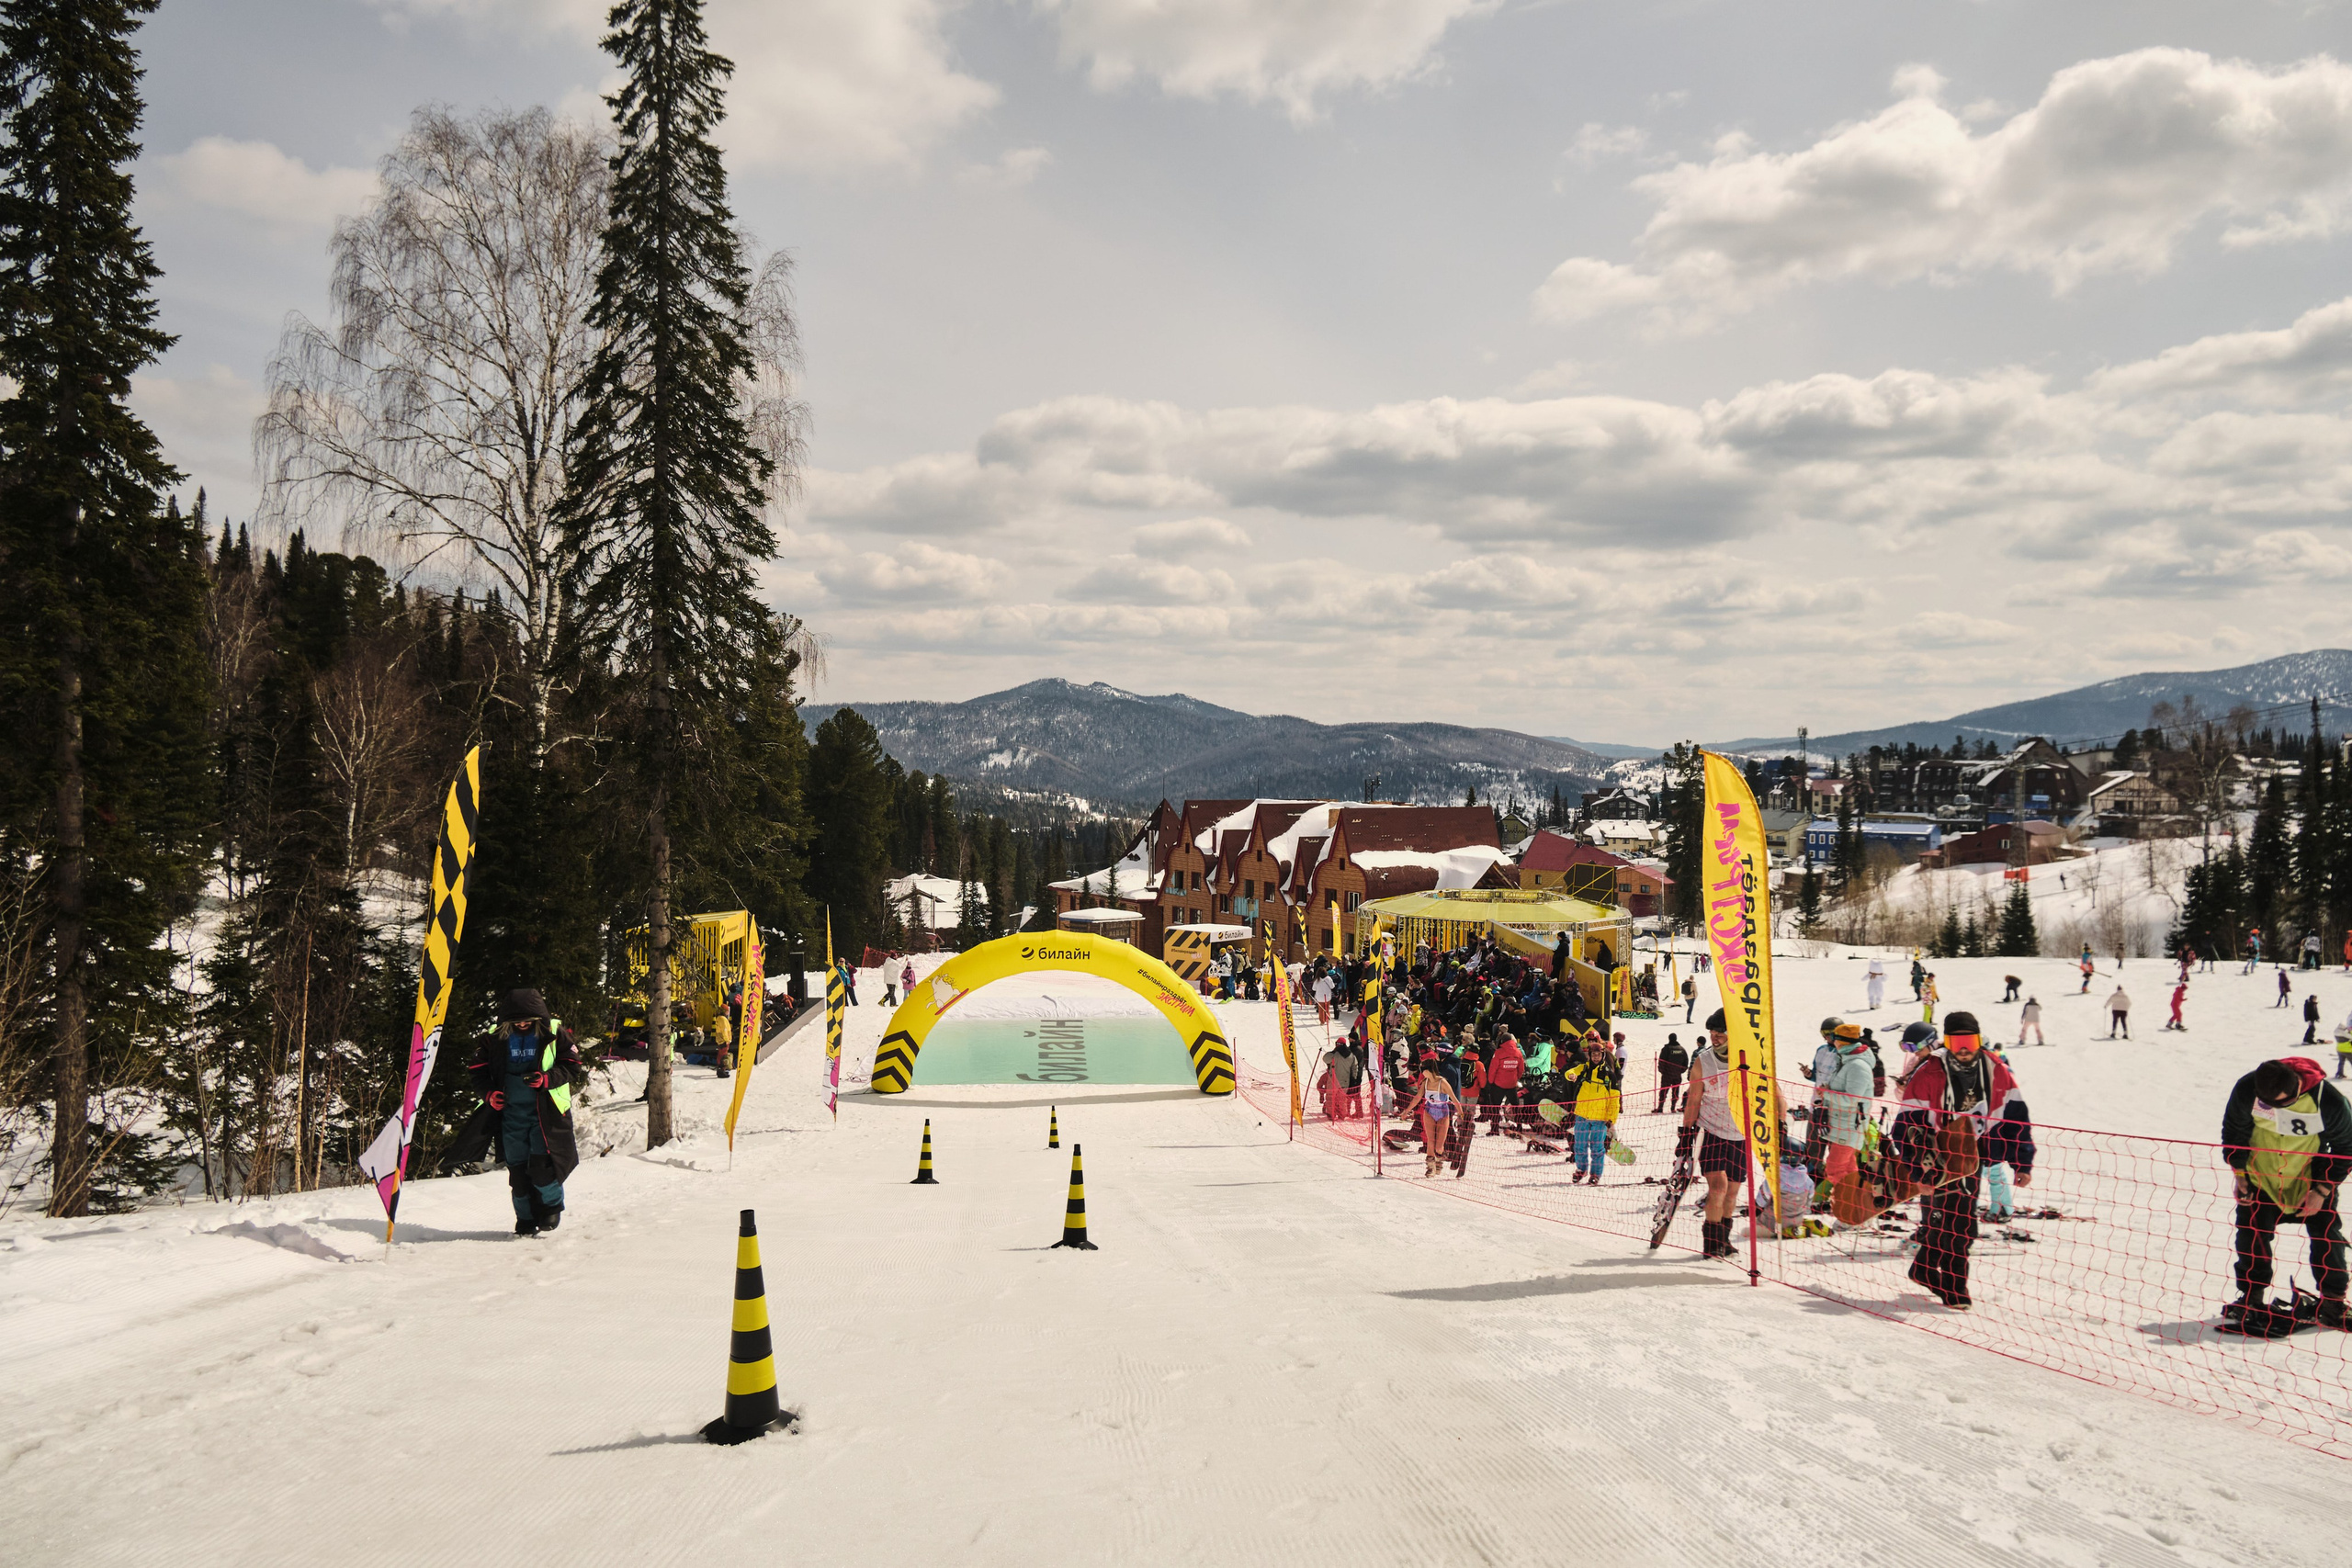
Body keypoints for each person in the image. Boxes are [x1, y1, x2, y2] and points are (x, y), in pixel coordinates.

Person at [1894, 1010, 2028, 1310]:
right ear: (1947, 1041)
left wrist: (2022, 1161)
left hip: (1973, 1157)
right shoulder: (1929, 1070)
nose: (1964, 1049)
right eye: (1957, 1042)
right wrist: (1917, 1172)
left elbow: (2015, 1116)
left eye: (1970, 1041)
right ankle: (1955, 1289)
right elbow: (1906, 1126)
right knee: (1953, 1225)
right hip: (1937, 1157)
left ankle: (1924, 1269)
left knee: (1958, 1225)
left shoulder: (1995, 1068)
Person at [2220, 1057, 2352, 1334]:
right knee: (2251, 1235)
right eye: (2271, 1104)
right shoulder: (2247, 1088)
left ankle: (2333, 1302)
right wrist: (2240, 1173)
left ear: (2297, 1089)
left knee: (2327, 1236)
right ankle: (2251, 1299)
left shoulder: (2328, 1100)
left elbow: (2346, 1147)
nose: (2278, 1108)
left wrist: (2322, 1190)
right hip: (2261, 1177)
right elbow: (2234, 1132)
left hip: (2309, 1179)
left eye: (2284, 1103)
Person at [462, 989, 588, 1236]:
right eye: (515, 1022)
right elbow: (477, 1071)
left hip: (546, 1113)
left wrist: (546, 1079)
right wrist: (489, 1094)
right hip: (510, 1115)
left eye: (527, 1021)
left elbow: (572, 1066)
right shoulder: (492, 1038)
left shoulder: (554, 1032)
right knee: (517, 1171)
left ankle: (551, 1207)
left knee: (542, 1166)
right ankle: (525, 1218)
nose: (521, 1025)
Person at [1678, 1010, 1774, 1259]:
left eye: (1720, 1033)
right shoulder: (1704, 1061)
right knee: (1718, 1187)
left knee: (1732, 1191)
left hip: (1740, 1134)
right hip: (1711, 1131)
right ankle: (1711, 1243)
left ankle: (1724, 1239)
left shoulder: (1750, 1058)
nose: (1714, 1037)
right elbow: (1694, 1099)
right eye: (1712, 1033)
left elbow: (1772, 1092)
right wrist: (1685, 1134)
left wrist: (1780, 1123)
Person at [1564, 1034, 1622, 1185]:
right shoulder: (1584, 1068)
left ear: (1603, 1056)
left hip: (1599, 1117)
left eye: (1598, 1055)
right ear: (1589, 1055)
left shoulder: (1609, 1075)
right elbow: (1570, 1072)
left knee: (1597, 1148)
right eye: (1593, 1055)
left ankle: (1595, 1173)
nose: (1596, 1057)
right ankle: (1581, 1169)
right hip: (1582, 1114)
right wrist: (1571, 1075)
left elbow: (1614, 1099)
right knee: (1580, 1145)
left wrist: (1612, 1119)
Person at [1485, 1031, 1525, 1134]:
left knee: (1495, 1107)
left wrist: (1491, 1081)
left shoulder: (1499, 1052)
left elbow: (1493, 1069)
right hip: (1512, 1084)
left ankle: (1494, 1129)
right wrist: (1515, 1078)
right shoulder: (1518, 1052)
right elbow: (1521, 1069)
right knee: (1515, 1106)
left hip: (1498, 1084)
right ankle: (1519, 1126)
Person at [1655, 1032, 1689, 1113]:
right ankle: (1673, 1108)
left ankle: (1660, 1108)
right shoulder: (1682, 1049)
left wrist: (1662, 1071)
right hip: (1677, 1075)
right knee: (1675, 1091)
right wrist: (1680, 1071)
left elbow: (1662, 1061)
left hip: (1667, 1074)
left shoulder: (1666, 1049)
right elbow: (1686, 1062)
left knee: (1664, 1091)